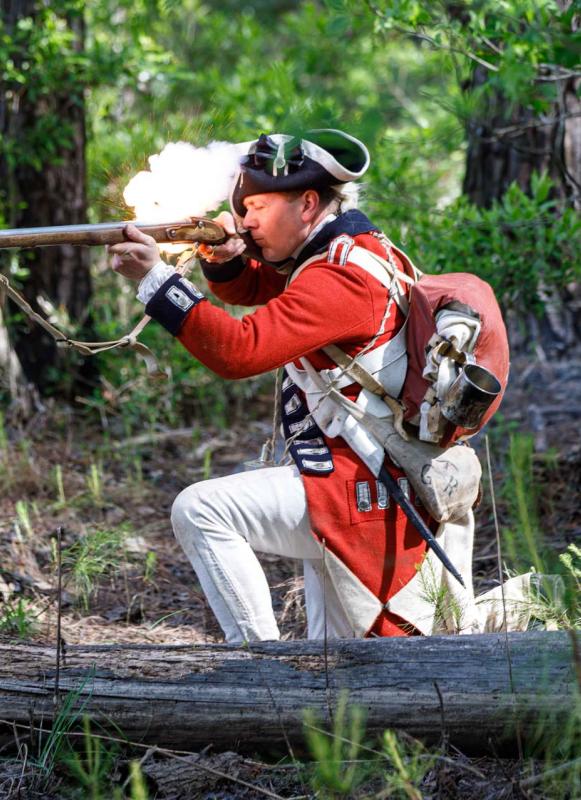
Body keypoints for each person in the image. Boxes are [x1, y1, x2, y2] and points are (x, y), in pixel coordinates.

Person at [110, 129, 531, 642]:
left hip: (361, 488)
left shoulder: (341, 277)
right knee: (344, 674)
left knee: (200, 509)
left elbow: (241, 350)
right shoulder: (343, 254)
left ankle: (261, 672)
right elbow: (262, 287)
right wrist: (224, 258)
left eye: (259, 205)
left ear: (308, 202)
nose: (246, 221)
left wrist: (156, 281)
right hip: (361, 482)